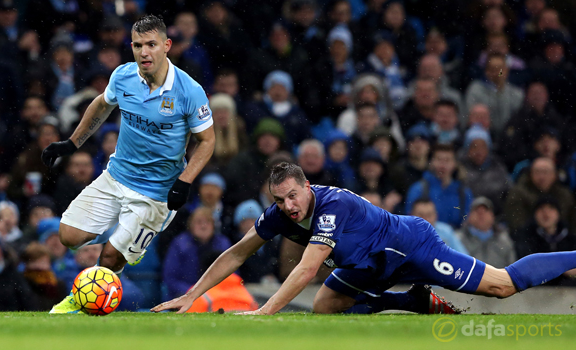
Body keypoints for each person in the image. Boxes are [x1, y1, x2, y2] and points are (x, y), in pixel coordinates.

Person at [152, 162, 576, 315]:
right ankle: (412, 302)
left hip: (412, 246)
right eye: (279, 200)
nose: (287, 206)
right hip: (371, 265)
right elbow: (237, 252)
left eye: (293, 196)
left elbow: (307, 268)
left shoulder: (331, 206)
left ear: (307, 186)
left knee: (501, 286)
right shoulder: (281, 214)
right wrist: (191, 295)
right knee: (325, 305)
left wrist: (265, 313)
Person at [41, 15, 215, 314]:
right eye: (137, 45)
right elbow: (101, 103)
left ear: (166, 46)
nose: (144, 52)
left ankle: (85, 300)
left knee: (110, 257)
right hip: (116, 176)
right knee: (67, 236)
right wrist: (72, 143)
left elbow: (208, 141)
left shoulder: (189, 91)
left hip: (156, 194)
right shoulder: (122, 76)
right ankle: (129, 243)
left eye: (151, 45)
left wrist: (185, 180)